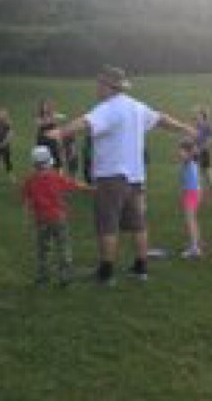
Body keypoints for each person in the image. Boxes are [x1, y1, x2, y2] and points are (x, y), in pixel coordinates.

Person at [47, 66, 196, 284]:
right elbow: (161, 119)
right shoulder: (136, 106)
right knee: (137, 224)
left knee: (107, 224)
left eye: (99, 84)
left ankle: (106, 273)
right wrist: (184, 127)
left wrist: (60, 132)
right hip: (135, 177)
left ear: (108, 86)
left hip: (110, 176)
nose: (96, 88)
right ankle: (141, 268)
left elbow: (85, 122)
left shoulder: (107, 108)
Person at [23, 146, 91, 287]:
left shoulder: (30, 180)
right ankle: (65, 277)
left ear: (34, 164)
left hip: (41, 219)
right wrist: (91, 189)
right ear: (49, 163)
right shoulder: (56, 177)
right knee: (63, 247)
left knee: (43, 249)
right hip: (58, 218)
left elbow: (27, 200)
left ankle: (43, 278)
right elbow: (75, 185)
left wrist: (28, 216)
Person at [178, 140, 203, 259]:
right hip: (191, 192)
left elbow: (193, 152)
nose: (179, 153)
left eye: (181, 151)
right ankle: (196, 243)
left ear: (188, 153)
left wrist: (192, 148)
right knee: (192, 219)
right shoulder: (187, 161)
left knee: (190, 221)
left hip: (191, 193)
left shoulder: (189, 161)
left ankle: (194, 249)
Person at [194, 106, 212, 206]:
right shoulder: (197, 125)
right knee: (198, 176)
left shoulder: (208, 125)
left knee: (209, 176)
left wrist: (206, 145)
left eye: (198, 114)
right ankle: (200, 198)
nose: (196, 116)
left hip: (204, 153)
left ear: (203, 116)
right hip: (196, 153)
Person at [36, 99, 62, 170]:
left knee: (56, 159)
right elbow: (40, 123)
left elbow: (56, 128)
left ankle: (58, 175)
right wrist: (51, 118)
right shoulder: (40, 116)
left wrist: (58, 139)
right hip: (42, 140)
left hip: (52, 140)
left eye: (47, 106)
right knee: (42, 158)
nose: (45, 108)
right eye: (44, 106)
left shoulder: (53, 115)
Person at [0, 108, 15, 181]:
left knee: (7, 160)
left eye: (3, 115)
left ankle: (10, 174)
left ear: (5, 117)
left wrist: (4, 143)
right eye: (0, 115)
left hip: (5, 146)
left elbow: (11, 134)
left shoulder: (7, 124)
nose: (1, 117)